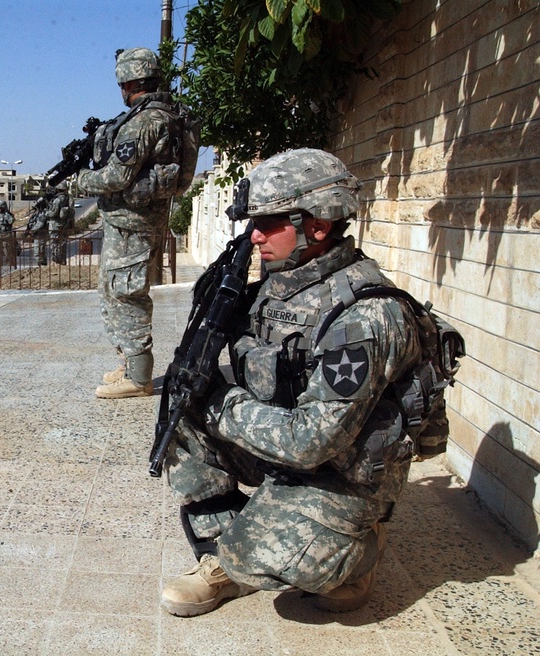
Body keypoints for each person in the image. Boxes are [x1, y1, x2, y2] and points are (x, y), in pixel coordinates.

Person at [160, 148, 423, 618]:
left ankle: (358, 553)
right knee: (181, 408)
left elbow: (311, 442)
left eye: (269, 222)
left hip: (342, 474)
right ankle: (224, 559)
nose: (254, 235)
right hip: (284, 452)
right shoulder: (277, 287)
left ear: (318, 226)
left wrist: (224, 407)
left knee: (258, 554)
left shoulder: (365, 315)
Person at [76, 47, 190, 399]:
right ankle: (129, 362)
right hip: (129, 221)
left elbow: (115, 178)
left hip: (134, 223)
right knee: (114, 291)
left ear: (128, 82)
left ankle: (139, 378)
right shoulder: (164, 114)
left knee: (127, 294)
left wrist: (76, 182)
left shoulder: (145, 121)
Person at [45, 184, 73, 265]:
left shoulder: (57, 200)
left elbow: (53, 213)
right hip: (65, 223)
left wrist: (46, 213)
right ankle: (63, 260)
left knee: (55, 242)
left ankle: (56, 260)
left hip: (56, 224)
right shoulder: (69, 198)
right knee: (63, 242)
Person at [0, 200, 16, 266]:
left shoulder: (7, 215)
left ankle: (9, 265)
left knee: (7, 251)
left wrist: (6, 213)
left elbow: (11, 221)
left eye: (0, 208)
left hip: (6, 235)